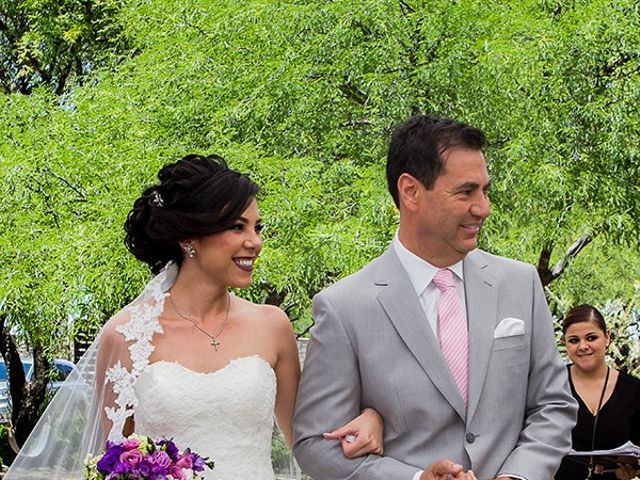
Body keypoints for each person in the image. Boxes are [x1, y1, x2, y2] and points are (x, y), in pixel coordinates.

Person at [5, 154, 383, 480]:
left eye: (257, 227)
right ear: (190, 238)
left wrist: (370, 419)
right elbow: (115, 463)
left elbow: (312, 440)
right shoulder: (125, 336)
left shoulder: (273, 326)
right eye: (237, 226)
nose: (255, 241)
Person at [293, 114, 579, 480]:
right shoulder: (344, 306)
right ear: (411, 191)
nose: (484, 208)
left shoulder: (520, 283)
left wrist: (516, 476)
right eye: (466, 192)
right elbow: (316, 444)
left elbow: (553, 405)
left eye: (485, 190)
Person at [555, 304, 640, 480]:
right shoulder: (551, 385)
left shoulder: (634, 390)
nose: (583, 346)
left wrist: (631, 470)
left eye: (591, 338)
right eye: (574, 340)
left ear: (607, 337)